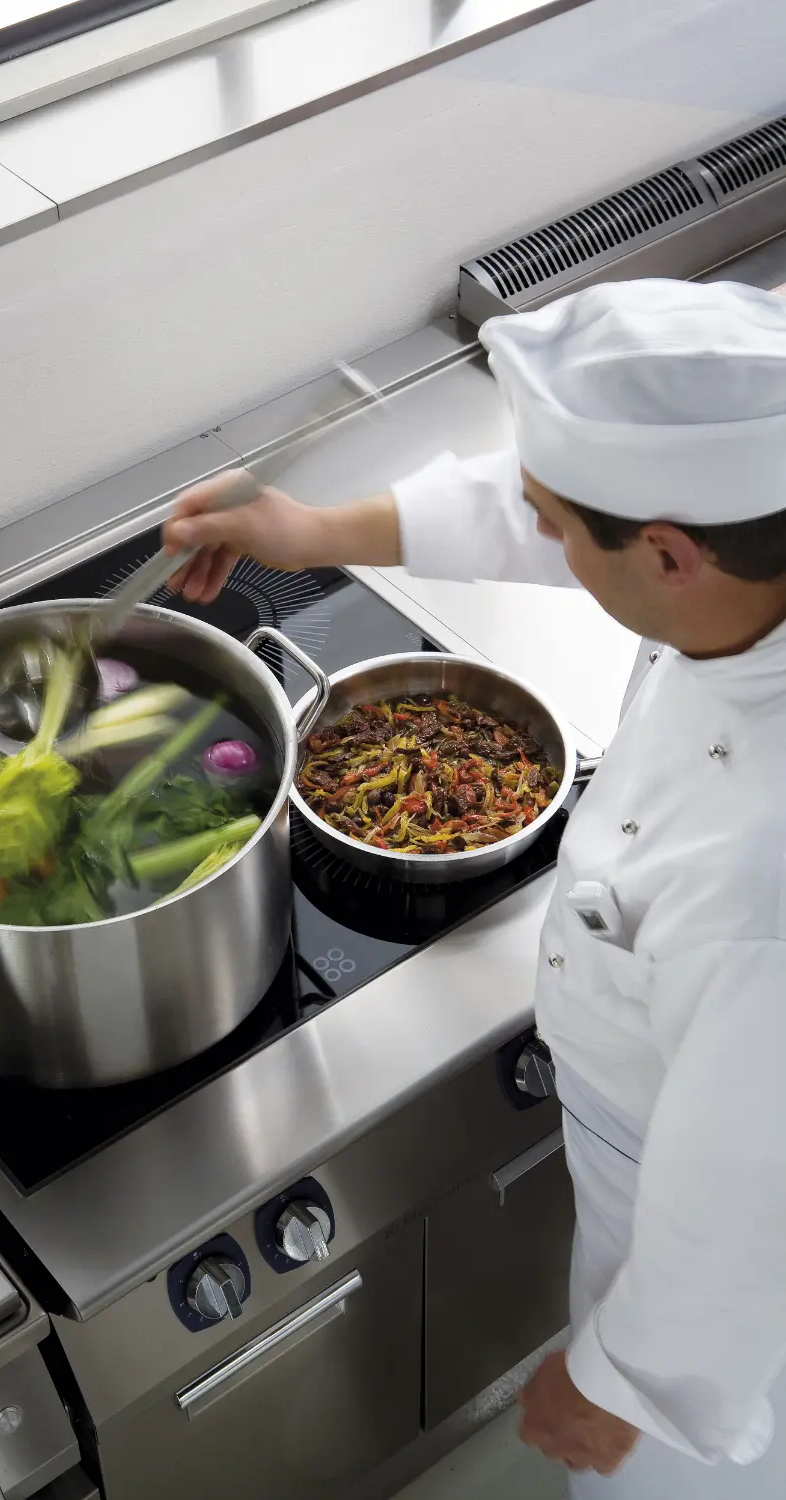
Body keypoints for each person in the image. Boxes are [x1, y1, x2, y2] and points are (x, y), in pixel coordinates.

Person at [163, 277, 786, 1499]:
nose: (538, 530)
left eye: (561, 526)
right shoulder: (742, 541)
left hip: (721, 1284)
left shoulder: (760, 865)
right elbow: (552, 511)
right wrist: (315, 531)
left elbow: (750, 1175)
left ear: (669, 555)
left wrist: (625, 1385)